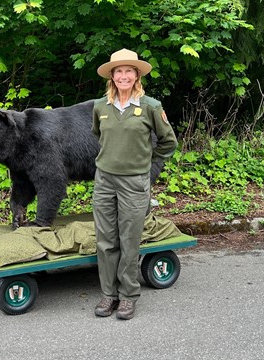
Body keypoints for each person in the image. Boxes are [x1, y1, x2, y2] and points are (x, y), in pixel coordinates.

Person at [91, 49, 177, 320]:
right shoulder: (100, 107)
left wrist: (147, 164)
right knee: (106, 241)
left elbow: (168, 142)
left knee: (129, 240)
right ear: (112, 76)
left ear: (137, 75)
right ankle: (109, 295)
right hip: (104, 180)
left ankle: (128, 296)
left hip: (134, 183)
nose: (124, 75)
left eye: (129, 71)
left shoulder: (150, 106)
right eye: (119, 71)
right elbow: (99, 136)